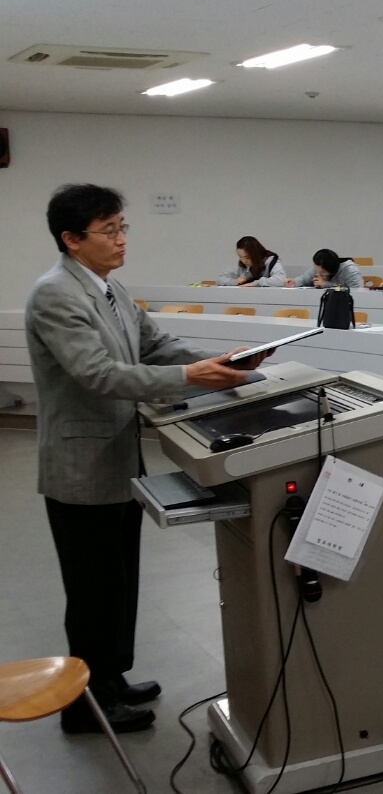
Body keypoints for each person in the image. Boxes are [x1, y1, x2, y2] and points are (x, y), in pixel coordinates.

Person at [26, 184, 264, 734]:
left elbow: (156, 346)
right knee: (91, 591)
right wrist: (190, 377)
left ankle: (110, 679)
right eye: (108, 231)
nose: (120, 240)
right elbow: (98, 374)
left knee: (118, 580)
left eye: (122, 228)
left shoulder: (110, 288)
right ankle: (85, 707)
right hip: (80, 468)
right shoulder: (55, 294)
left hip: (117, 459)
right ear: (71, 238)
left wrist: (226, 363)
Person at [219, 236, 287, 287]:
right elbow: (220, 279)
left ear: (256, 254)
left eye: (247, 257)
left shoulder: (270, 261)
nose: (244, 261)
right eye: (240, 257)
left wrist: (255, 283)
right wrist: (235, 281)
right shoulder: (242, 266)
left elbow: (281, 280)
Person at [285, 248, 363, 291]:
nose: (318, 274)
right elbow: (304, 279)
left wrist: (327, 285)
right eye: (317, 270)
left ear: (331, 269)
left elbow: (356, 291)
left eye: (322, 273)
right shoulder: (319, 268)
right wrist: (294, 282)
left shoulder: (350, 270)